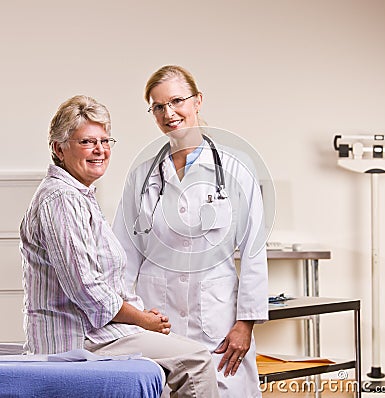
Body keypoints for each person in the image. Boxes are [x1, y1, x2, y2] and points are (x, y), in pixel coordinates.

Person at [19, 95, 220, 398]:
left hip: (101, 333)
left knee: (164, 379)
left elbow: (101, 280)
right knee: (196, 362)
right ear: (59, 149)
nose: (99, 150)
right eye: (87, 142)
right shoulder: (60, 199)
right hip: (80, 339)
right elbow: (87, 291)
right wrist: (143, 320)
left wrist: (141, 316)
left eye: (104, 140)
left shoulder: (80, 195)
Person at [112, 65, 269, 398]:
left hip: (218, 319)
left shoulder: (236, 167)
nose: (169, 113)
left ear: (197, 101)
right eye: (158, 106)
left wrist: (246, 323)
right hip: (158, 317)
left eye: (177, 101)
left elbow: (254, 250)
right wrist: (129, 320)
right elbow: (124, 253)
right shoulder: (142, 175)